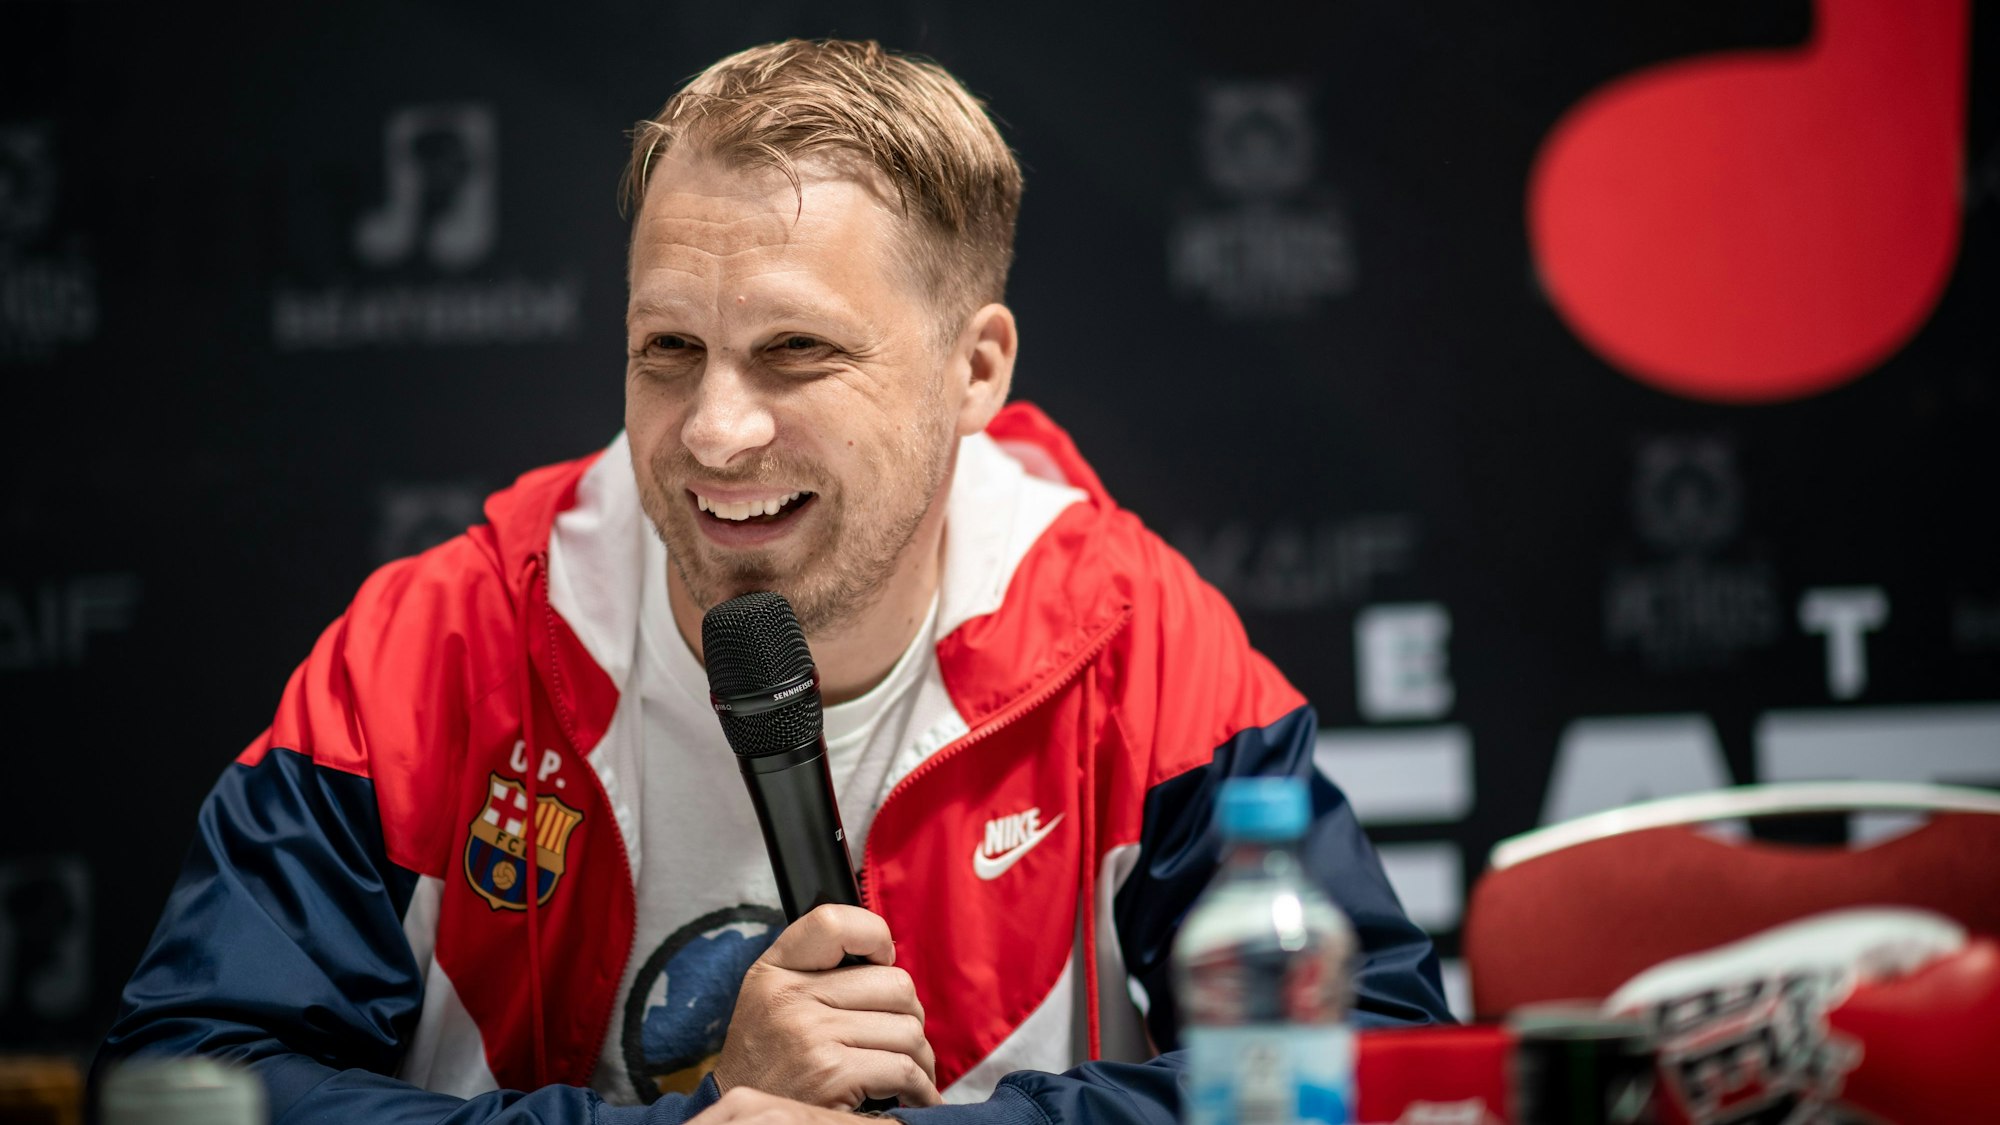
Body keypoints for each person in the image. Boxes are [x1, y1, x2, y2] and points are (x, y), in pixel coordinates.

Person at [99, 38, 1448, 1125]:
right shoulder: (443, 638)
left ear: (976, 368)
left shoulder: (1131, 641)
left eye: (797, 351)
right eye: (669, 347)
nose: (712, 430)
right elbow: (187, 1081)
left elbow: (1379, 1067)